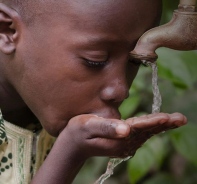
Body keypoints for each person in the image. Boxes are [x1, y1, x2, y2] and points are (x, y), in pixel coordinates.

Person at [0, 0, 187, 183]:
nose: (121, 90)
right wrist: (69, 154)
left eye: (136, 61)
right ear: (7, 31)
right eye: (95, 60)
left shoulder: (43, 110)